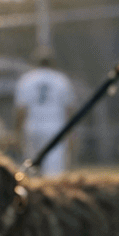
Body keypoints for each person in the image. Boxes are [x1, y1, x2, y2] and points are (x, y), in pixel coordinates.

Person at [13, 47, 76, 177]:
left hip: (32, 129)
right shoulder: (61, 80)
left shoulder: (27, 80)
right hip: (55, 129)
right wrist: (71, 134)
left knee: (32, 171)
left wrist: (17, 133)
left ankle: (33, 195)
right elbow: (68, 110)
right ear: (53, 63)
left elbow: (21, 110)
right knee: (53, 174)